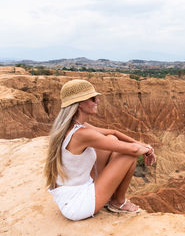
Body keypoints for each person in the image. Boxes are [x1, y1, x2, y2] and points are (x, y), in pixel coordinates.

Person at [44, 79, 156, 221]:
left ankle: (111, 198)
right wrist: (147, 150)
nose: (98, 100)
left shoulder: (75, 126)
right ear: (80, 104)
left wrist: (142, 144)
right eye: (92, 98)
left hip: (72, 192)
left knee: (112, 139)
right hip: (77, 204)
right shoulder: (82, 134)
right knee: (128, 156)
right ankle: (118, 202)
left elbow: (113, 132)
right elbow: (133, 150)